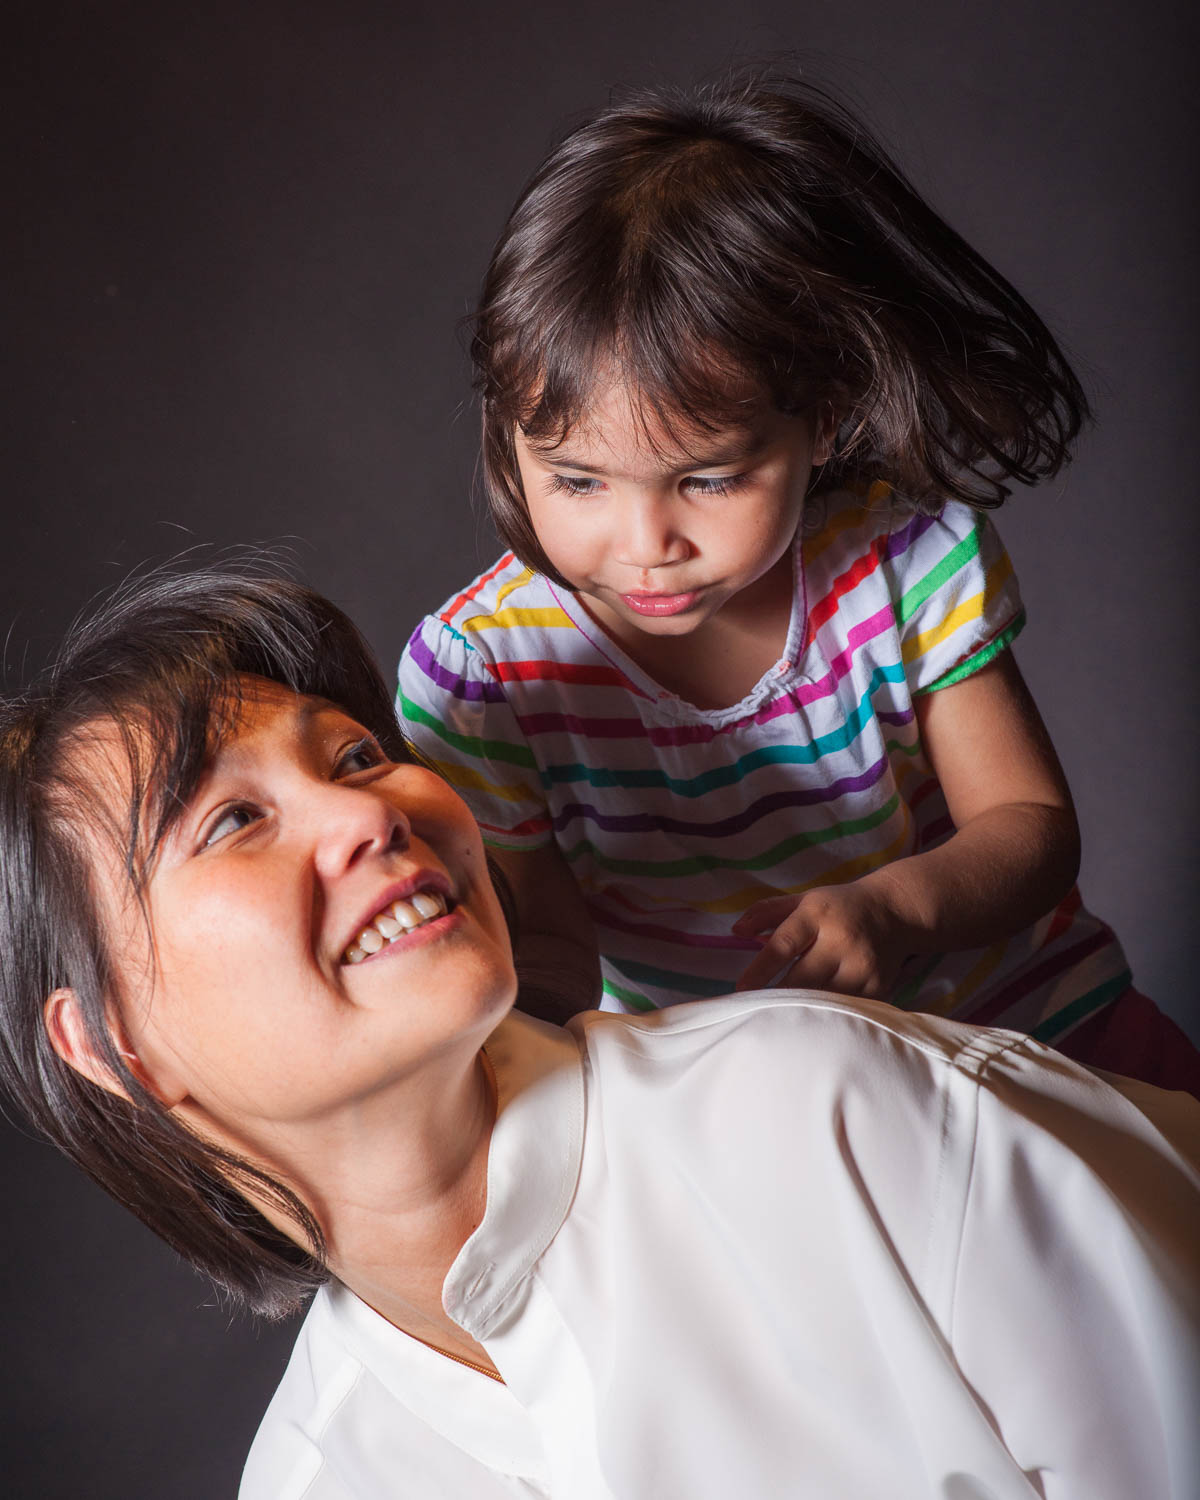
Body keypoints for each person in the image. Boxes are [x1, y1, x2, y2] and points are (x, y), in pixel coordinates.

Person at [1, 564, 1197, 1498]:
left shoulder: (833, 1113)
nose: (371, 813)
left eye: (356, 753)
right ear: (111, 1047)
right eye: (233, 821)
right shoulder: (321, 1477)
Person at [397, 71, 1200, 1091]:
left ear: (821, 421)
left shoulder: (903, 566)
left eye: (710, 478)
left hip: (1043, 1044)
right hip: (770, 1117)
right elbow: (554, 951)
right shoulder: (485, 676)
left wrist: (896, 910)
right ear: (509, 435)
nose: (647, 541)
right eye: (577, 479)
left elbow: (1030, 828)